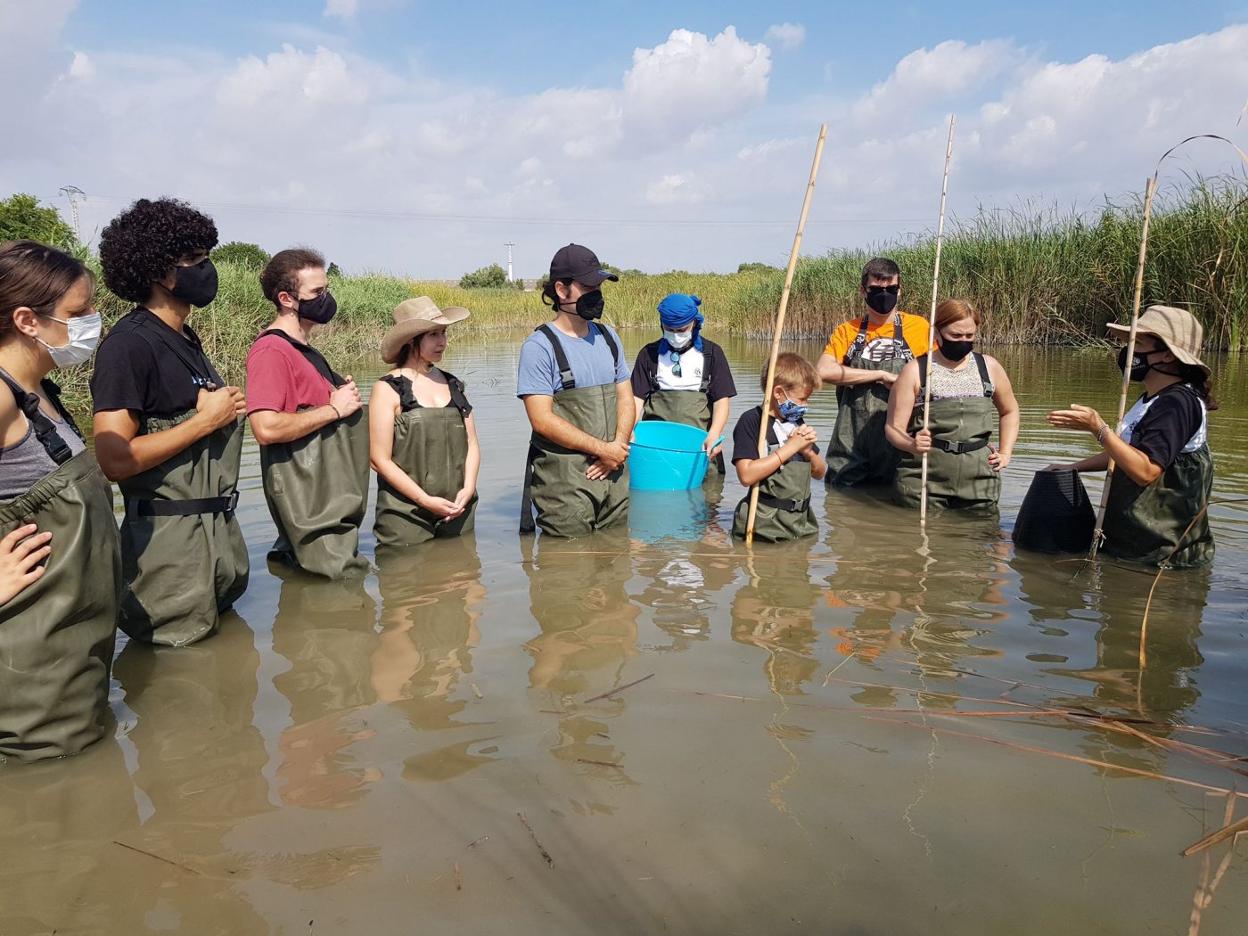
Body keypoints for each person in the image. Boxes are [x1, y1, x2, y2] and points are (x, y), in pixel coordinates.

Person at [92, 197, 248, 646]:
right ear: (161, 272)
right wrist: (204, 422)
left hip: (216, 538)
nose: (207, 268)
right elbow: (113, 459)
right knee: (182, 680)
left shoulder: (185, 336)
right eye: (195, 259)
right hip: (169, 554)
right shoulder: (129, 346)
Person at [0, 239, 120, 761]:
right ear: (27, 319)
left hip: (73, 669)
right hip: (30, 682)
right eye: (79, 312)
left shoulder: (42, 393)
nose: (93, 321)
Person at [1047, 305, 1215, 568]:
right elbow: (1126, 453)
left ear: (1167, 356)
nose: (1128, 351)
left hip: (1163, 558)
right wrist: (1072, 468)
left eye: (1138, 343)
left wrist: (1098, 428)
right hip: (1132, 548)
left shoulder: (1178, 403)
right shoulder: (1152, 399)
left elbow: (1146, 470)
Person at [246, 248, 368, 578]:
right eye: (317, 292)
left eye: (326, 289)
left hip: (329, 501)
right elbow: (265, 427)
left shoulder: (303, 348)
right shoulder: (272, 350)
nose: (326, 298)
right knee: (335, 595)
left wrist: (340, 398)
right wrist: (333, 408)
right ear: (286, 298)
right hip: (312, 506)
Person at [518, 244, 633, 537]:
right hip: (567, 484)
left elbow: (625, 397)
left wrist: (617, 449)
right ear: (561, 289)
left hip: (615, 477)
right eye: (588, 286)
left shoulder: (609, 337)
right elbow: (541, 420)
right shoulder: (540, 346)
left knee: (617, 565)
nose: (597, 293)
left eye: (599, 286)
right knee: (569, 573)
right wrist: (602, 450)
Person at [884, 298, 1019, 510]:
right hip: (924, 481)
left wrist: (1005, 453)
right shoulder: (915, 370)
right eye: (955, 335)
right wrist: (911, 444)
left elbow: (1009, 411)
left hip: (980, 481)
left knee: (981, 537)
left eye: (969, 336)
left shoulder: (989, 367)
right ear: (937, 333)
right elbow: (893, 428)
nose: (963, 341)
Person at [370, 296, 480, 548]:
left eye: (443, 333)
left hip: (458, 509)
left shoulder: (454, 384)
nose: (442, 341)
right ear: (410, 340)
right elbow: (379, 459)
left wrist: (468, 489)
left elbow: (472, 443)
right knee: (406, 581)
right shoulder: (388, 388)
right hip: (405, 515)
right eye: (433, 334)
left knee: (465, 574)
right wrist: (425, 500)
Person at [817, 257, 930, 487]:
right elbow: (823, 371)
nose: (885, 294)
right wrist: (880, 376)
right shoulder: (847, 331)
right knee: (842, 507)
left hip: (902, 443)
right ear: (863, 291)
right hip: (850, 447)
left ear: (900, 290)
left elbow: (939, 376)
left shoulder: (920, 328)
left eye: (891, 289)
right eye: (877, 289)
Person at [630, 293, 736, 473]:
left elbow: (721, 401)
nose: (675, 335)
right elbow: (635, 400)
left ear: (694, 323)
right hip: (656, 450)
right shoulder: (648, 355)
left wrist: (715, 434)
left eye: (681, 330)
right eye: (669, 329)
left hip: (701, 449)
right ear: (661, 324)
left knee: (708, 497)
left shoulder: (712, 354)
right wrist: (629, 431)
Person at [731, 352, 826, 541]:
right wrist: (791, 447)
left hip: (801, 524)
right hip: (765, 526)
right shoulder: (751, 421)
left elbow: (820, 472)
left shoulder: (797, 422)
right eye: (802, 399)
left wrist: (808, 452)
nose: (805, 405)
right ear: (778, 393)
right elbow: (746, 475)